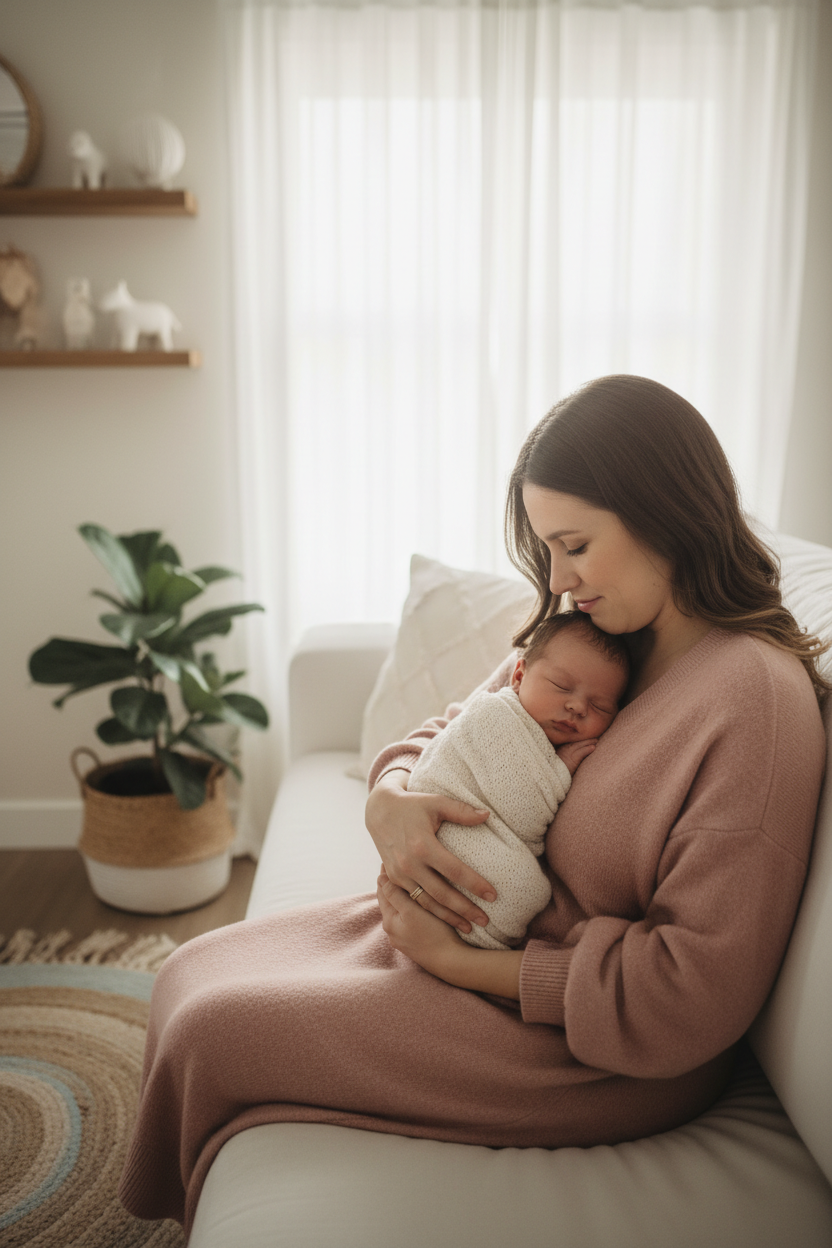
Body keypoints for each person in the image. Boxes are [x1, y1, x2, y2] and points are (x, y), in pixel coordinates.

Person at [119, 375, 829, 1237]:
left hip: (581, 1040)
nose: (561, 579)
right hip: (481, 936)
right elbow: (455, 727)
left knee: (211, 1033)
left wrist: (462, 968)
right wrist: (388, 800)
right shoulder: (608, 638)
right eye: (549, 550)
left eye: (575, 545)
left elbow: (688, 996)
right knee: (185, 976)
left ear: (663, 514)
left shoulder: (753, 701)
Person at [409, 611, 629, 950]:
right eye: (561, 687)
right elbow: (521, 812)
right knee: (526, 890)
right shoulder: (495, 716)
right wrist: (558, 773)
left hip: (462, 935)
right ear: (518, 675)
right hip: (442, 824)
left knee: (526, 891)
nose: (576, 706)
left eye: (599, 706)